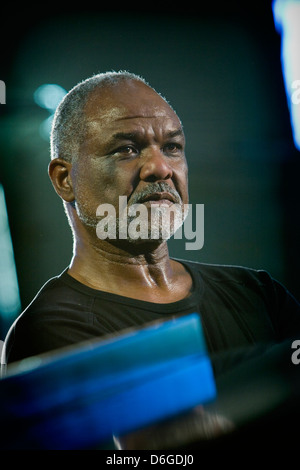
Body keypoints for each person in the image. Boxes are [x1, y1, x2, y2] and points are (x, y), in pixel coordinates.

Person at [2, 71, 300, 448]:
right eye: (126, 149)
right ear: (65, 179)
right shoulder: (48, 332)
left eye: (172, 147)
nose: (161, 168)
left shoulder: (258, 293)